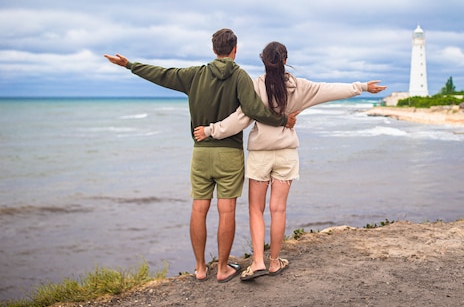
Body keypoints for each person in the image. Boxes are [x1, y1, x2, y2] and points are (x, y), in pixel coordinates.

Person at [104, 29, 297, 283]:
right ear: (235, 49)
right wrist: (283, 120)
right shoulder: (240, 76)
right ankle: (223, 269)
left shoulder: (194, 75)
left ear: (214, 49)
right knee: (226, 210)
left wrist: (130, 65)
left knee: (199, 207)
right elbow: (252, 110)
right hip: (229, 153)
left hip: (201, 152)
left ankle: (200, 268)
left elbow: (161, 75)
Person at [193, 41, 386, 281]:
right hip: (286, 155)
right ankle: (274, 262)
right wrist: (362, 87)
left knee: (256, 209)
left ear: (264, 61)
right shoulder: (300, 87)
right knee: (278, 209)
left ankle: (257, 262)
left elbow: (239, 120)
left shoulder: (255, 87)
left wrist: (211, 131)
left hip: (260, 156)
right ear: (285, 60)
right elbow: (330, 90)